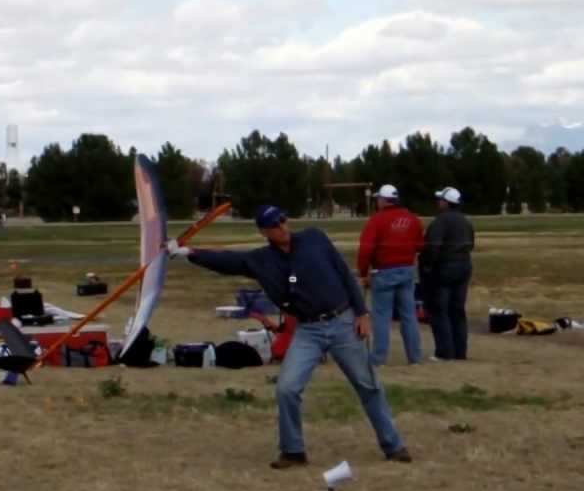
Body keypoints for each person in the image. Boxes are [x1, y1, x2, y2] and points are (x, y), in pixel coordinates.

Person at [171, 204, 411, 469]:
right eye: (275, 225)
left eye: (283, 220)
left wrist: (361, 313)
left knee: (368, 385)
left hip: (342, 322)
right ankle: (293, 451)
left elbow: (344, 273)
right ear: (264, 232)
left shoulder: (315, 238)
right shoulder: (261, 260)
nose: (282, 227)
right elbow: (228, 261)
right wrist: (189, 253)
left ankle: (393, 445)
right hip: (307, 330)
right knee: (287, 388)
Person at [357, 184, 424, 366]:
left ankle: (378, 358)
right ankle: (415, 357)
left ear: (383, 200)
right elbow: (419, 245)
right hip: (407, 270)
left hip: (383, 271)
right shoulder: (412, 218)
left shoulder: (376, 220)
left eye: (378, 198)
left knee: (381, 316)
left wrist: (363, 272)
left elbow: (366, 249)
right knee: (409, 315)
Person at [421, 186, 475, 361]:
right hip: (464, 266)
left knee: (440, 310)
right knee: (458, 311)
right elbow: (471, 244)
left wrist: (428, 266)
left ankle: (444, 352)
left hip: (444, 268)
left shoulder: (440, 221)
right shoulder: (466, 221)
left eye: (440, 200)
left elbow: (432, 247)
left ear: (446, 202)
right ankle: (460, 351)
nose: (438, 202)